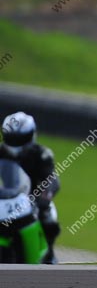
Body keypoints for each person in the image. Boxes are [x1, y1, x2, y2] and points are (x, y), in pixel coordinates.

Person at [0, 112, 60, 263]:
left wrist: (46, 194)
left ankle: (48, 256)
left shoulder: (42, 154)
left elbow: (52, 179)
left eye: (19, 138)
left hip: (33, 199)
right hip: (5, 199)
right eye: (12, 138)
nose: (15, 143)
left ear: (30, 135)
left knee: (48, 216)